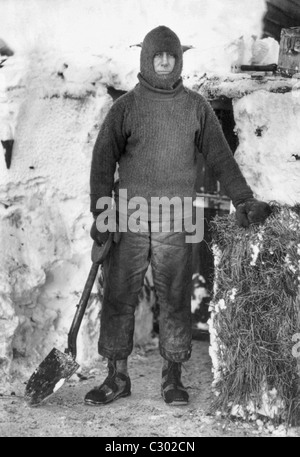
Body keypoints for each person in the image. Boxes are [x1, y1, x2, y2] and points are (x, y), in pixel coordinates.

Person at [85, 26, 271, 406]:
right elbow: (102, 164)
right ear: (146, 59)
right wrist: (102, 216)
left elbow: (220, 157)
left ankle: (173, 378)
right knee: (120, 296)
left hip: (178, 215)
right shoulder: (126, 108)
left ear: (180, 58)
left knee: (174, 296)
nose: (165, 61)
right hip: (129, 215)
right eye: (158, 56)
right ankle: (116, 377)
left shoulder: (196, 107)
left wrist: (242, 199)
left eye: (171, 55)